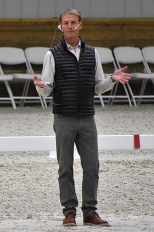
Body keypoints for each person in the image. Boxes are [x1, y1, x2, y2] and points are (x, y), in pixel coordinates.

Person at [34, 8, 131, 227]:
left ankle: (90, 212)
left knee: (91, 166)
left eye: (73, 22)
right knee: (65, 167)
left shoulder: (92, 53)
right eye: (65, 23)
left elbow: (98, 87)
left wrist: (112, 79)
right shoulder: (52, 54)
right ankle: (69, 212)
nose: (69, 26)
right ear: (61, 26)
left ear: (80, 25)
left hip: (87, 117)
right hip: (64, 117)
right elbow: (47, 89)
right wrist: (41, 87)